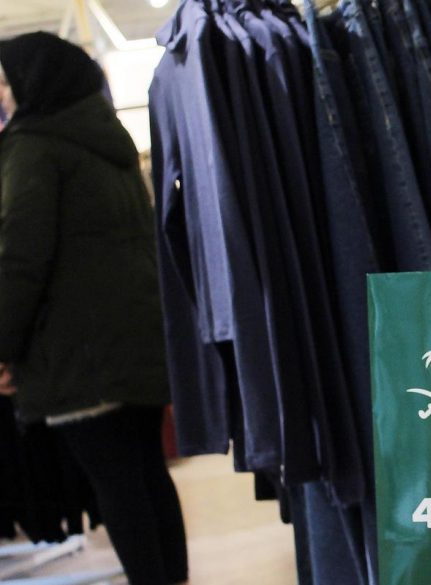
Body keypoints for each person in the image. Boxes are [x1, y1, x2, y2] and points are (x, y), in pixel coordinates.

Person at [0, 33, 187, 585]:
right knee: (146, 471)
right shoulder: (109, 139)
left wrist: (3, 347)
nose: (5, 94)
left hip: (75, 352)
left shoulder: (35, 148)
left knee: (117, 481)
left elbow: (20, 258)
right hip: (135, 338)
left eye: (8, 82)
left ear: (35, 82)